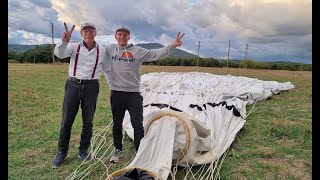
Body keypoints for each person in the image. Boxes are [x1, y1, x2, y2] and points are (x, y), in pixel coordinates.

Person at [104, 26, 185, 163]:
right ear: (115, 36)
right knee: (117, 123)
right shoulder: (109, 50)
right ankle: (118, 149)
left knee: (137, 123)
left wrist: (172, 45)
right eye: (120, 34)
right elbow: (102, 65)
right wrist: (111, 86)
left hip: (133, 94)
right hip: (117, 93)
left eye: (125, 35)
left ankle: (139, 149)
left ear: (129, 37)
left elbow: (156, 54)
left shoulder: (138, 51)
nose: (122, 37)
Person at [51, 22, 111, 168]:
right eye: (85, 30)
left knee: (88, 121)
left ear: (95, 33)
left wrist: (112, 87)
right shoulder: (73, 46)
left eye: (91, 30)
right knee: (66, 120)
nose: (88, 33)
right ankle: (62, 152)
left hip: (91, 86)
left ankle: (83, 150)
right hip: (73, 85)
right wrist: (64, 42)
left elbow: (108, 70)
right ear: (81, 33)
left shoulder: (101, 50)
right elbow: (59, 54)